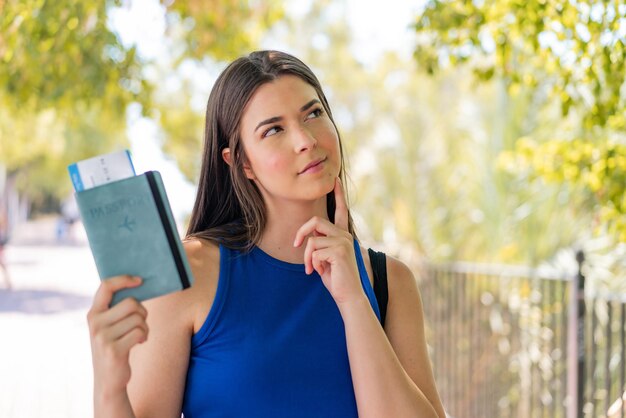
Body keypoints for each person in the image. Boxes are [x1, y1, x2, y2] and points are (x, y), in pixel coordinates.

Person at [87, 50, 446, 417]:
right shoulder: (190, 274)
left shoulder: (390, 282)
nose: (305, 139)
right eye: (274, 129)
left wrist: (355, 302)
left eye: (314, 113)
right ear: (241, 163)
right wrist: (109, 388)